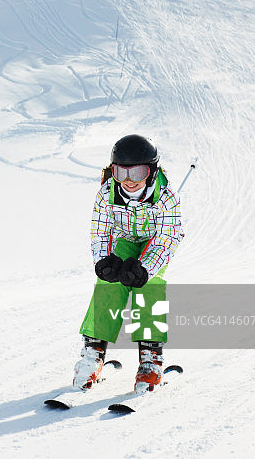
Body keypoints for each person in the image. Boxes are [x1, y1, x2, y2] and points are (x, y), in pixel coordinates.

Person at [73, 134, 184, 393]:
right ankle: (92, 354)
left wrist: (146, 268)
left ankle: (150, 361)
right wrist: (104, 262)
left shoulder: (166, 198)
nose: (128, 181)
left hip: (153, 244)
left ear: (151, 171)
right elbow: (100, 232)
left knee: (149, 285)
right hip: (124, 241)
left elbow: (168, 238)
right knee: (108, 283)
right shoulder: (107, 193)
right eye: (121, 172)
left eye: (137, 172)